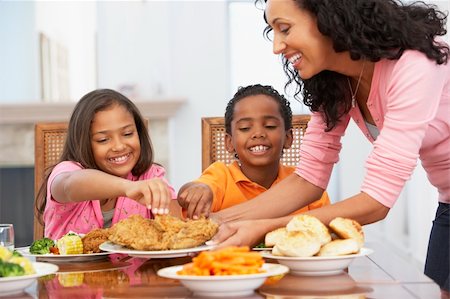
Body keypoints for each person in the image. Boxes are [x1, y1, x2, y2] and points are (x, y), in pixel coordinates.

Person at [210, 0, 450, 291]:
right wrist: (214, 223)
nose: (276, 46)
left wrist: (266, 226)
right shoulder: (337, 81)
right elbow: (307, 179)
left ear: (330, 17)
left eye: (284, 29)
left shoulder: (413, 63)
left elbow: (377, 200)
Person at [35, 89, 177, 239]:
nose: (119, 146)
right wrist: (128, 187)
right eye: (103, 140)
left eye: (128, 134)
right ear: (83, 143)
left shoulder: (150, 175)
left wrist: (164, 202)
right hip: (67, 263)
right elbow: (70, 185)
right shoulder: (68, 172)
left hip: (138, 264)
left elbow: (177, 232)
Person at [177, 84, 330, 219]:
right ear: (229, 142)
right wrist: (196, 190)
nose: (258, 133)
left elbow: (326, 228)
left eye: (270, 126)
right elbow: (192, 192)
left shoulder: (306, 183)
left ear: (288, 138)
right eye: (245, 128)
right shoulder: (221, 176)